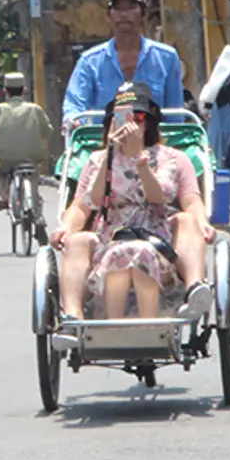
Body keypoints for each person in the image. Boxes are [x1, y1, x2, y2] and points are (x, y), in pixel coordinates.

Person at [50, 83, 213, 323]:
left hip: (159, 235)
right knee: (77, 241)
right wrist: (65, 228)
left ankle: (194, 288)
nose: (131, 124)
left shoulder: (173, 158)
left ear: (148, 121)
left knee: (186, 220)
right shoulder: (97, 160)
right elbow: (83, 205)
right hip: (111, 234)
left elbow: (186, 199)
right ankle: (72, 317)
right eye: (122, 117)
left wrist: (202, 223)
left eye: (137, 117)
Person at [62, 0, 184, 121]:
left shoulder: (167, 58)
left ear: (144, 14)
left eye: (131, 8)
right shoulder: (90, 62)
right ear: (109, 16)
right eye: (118, 8)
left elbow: (175, 114)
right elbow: (74, 105)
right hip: (104, 141)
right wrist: (73, 121)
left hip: (154, 140)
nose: (124, 14)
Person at [0, 72, 53, 224]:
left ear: (5, 91)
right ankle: (38, 215)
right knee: (34, 182)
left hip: (6, 158)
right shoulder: (35, 109)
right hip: (32, 157)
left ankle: (5, 197)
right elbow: (47, 132)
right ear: (24, 89)